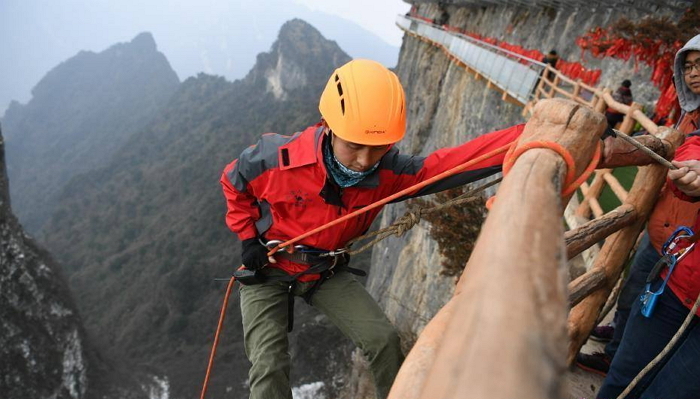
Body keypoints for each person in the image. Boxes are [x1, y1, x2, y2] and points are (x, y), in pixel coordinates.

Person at [220, 59, 523, 399]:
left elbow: (449, 164)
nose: (365, 160)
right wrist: (248, 238)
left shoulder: (390, 174)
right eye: (354, 145)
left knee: (384, 341)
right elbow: (235, 182)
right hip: (270, 266)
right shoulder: (278, 158)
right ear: (329, 126)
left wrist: (528, 135)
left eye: (378, 147)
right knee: (268, 366)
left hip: (324, 271)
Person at [581, 35, 700, 399]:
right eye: (689, 66)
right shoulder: (692, 116)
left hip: (677, 260)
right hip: (678, 270)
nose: (694, 73)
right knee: (623, 377)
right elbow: (693, 150)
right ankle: (615, 345)